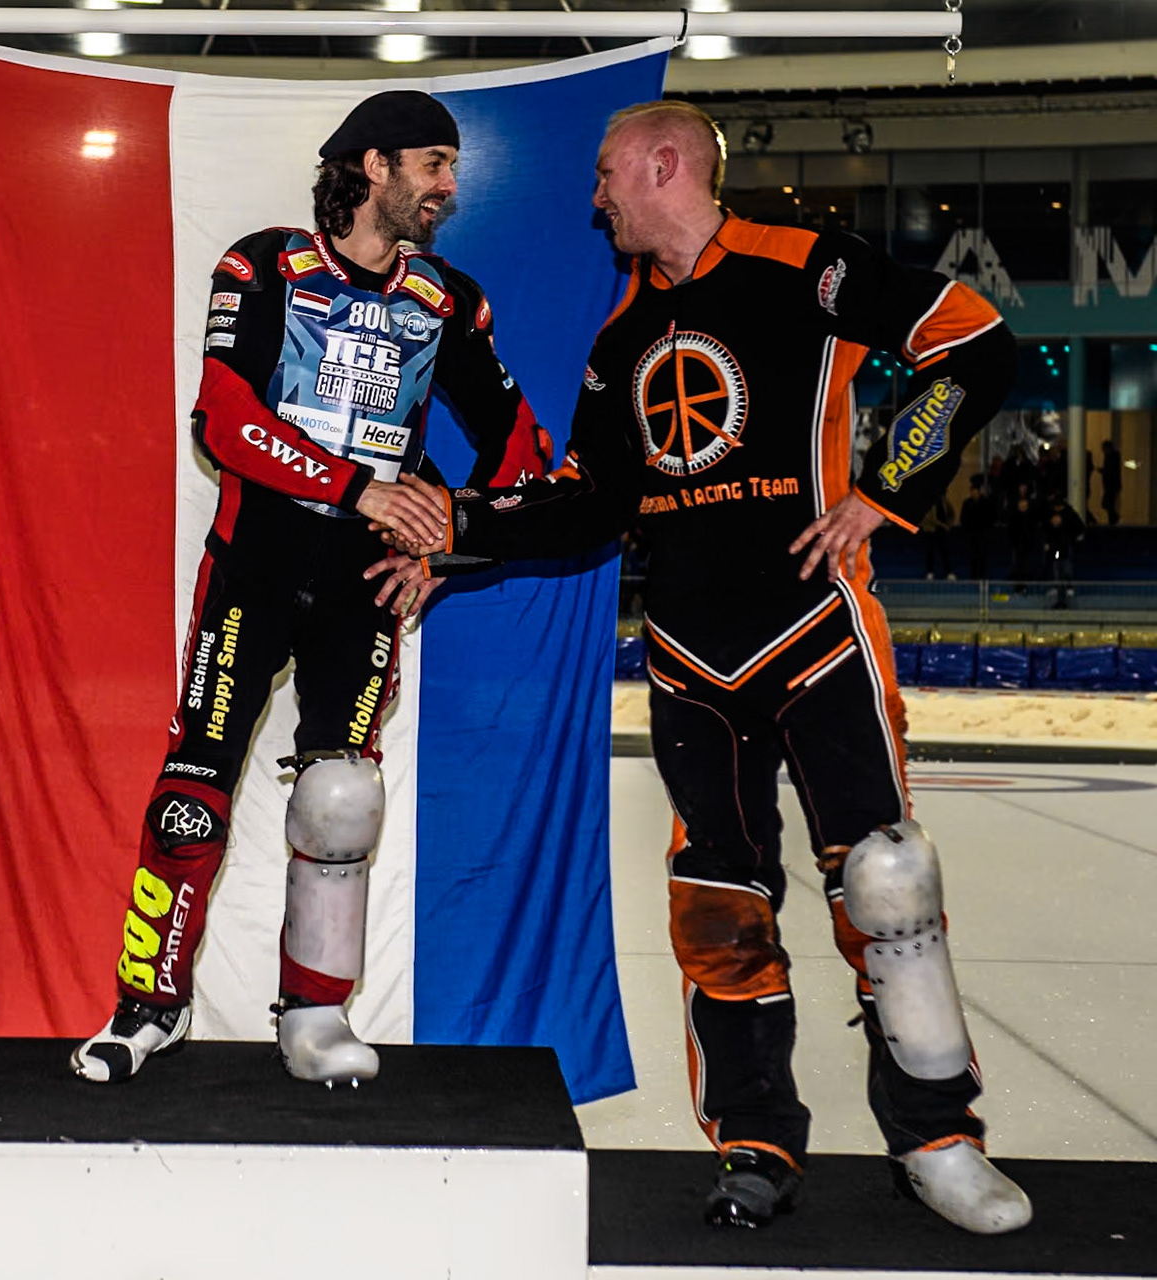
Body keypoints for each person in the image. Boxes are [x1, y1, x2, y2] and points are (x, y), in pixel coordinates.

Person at [369, 101, 1030, 1235]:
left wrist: (886, 493)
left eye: (604, 174)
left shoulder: (804, 269)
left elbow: (975, 341)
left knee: (886, 886)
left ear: (663, 162)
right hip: (688, 662)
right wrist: (455, 532)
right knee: (720, 910)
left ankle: (937, 1139)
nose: (594, 199)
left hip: (818, 635)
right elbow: (588, 503)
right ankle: (755, 1140)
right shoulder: (622, 340)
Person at [70, 90, 550, 1088]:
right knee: (192, 794)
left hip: (364, 588)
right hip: (254, 569)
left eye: (452, 166)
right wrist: (364, 486)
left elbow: (519, 449)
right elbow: (223, 419)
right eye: (432, 163)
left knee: (341, 797)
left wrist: (443, 546)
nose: (450, 187)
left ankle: (318, 1015)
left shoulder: (447, 298)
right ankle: (145, 1007)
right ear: (370, 167)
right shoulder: (265, 264)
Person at [959, 474, 994, 581]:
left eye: (975, 490)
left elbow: (991, 518)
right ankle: (973, 577)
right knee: (972, 557)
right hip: (971, 534)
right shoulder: (967, 503)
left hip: (982, 534)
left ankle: (982, 578)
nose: (974, 493)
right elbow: (963, 519)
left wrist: (985, 529)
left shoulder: (986, 503)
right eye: (972, 491)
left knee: (982, 557)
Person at [1099, 438, 1122, 526]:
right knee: (1109, 504)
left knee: (1109, 504)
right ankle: (1113, 519)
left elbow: (1110, 471)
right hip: (1111, 485)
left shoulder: (1111, 456)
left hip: (1111, 485)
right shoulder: (1113, 456)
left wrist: (1103, 471)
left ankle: (1114, 518)